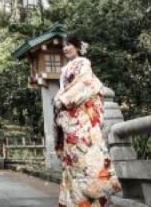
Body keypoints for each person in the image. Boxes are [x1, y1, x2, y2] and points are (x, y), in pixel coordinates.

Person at [54, 35, 121, 207]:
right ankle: (73, 202)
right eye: (64, 45)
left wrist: (63, 99)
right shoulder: (65, 69)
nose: (65, 48)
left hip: (81, 119)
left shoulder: (84, 63)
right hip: (70, 121)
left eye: (69, 44)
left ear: (77, 47)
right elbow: (64, 89)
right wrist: (59, 99)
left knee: (88, 157)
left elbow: (85, 83)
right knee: (72, 160)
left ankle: (93, 200)